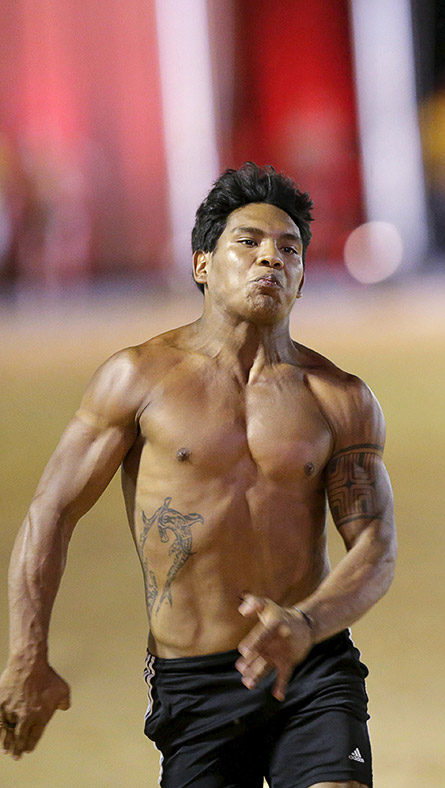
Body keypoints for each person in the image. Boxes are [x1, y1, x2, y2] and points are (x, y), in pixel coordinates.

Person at [0, 163, 397, 788]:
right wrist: (27, 654)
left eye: (289, 249)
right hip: (195, 683)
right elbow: (51, 513)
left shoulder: (339, 397)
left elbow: (376, 548)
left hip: (310, 663)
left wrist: (307, 624)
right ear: (202, 264)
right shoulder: (137, 378)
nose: (271, 258)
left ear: (300, 280)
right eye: (249, 242)